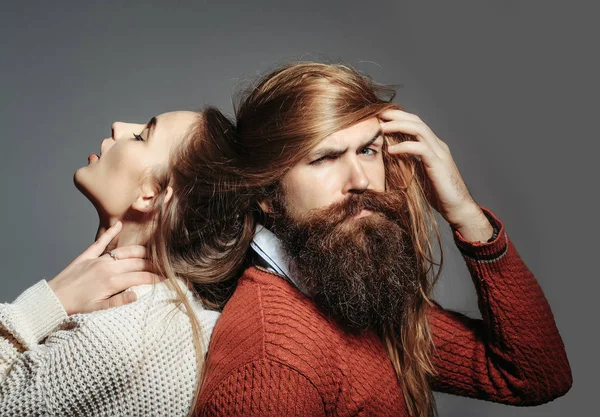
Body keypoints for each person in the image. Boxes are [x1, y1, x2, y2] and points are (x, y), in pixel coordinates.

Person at [195, 62, 573, 417]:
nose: (360, 180)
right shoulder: (271, 368)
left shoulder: (348, 288)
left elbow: (535, 376)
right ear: (265, 193)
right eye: (324, 158)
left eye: (367, 150)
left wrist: (464, 212)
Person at [0, 108, 235, 416]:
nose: (118, 126)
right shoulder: (169, 315)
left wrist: (47, 303)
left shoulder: (115, 339)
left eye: (140, 136)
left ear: (150, 196)